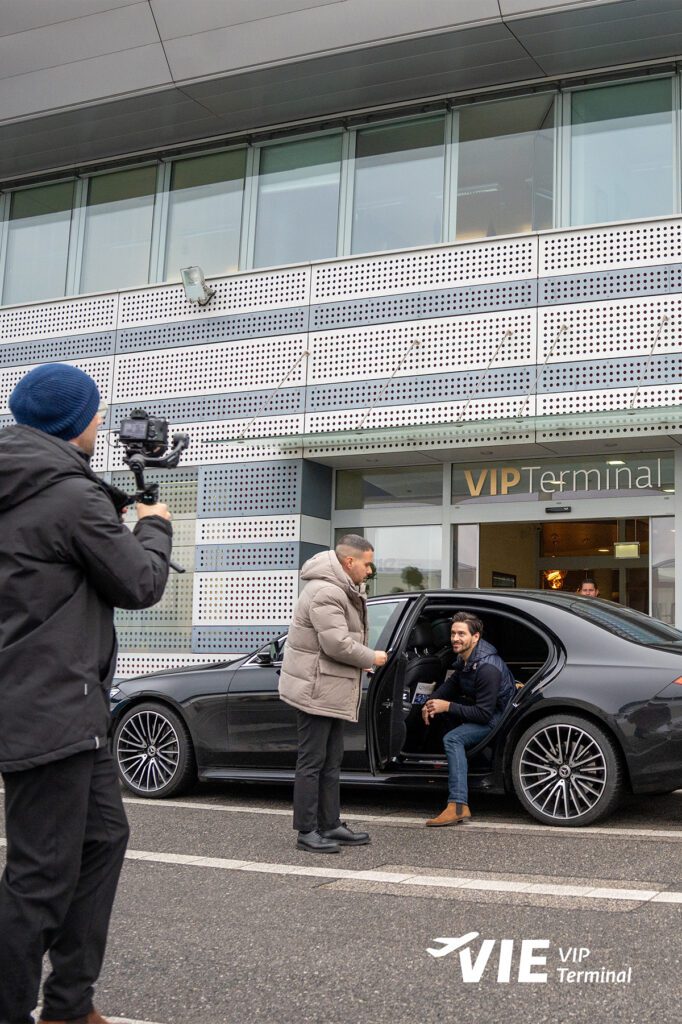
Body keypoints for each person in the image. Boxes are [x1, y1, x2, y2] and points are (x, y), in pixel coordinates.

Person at [0, 363, 173, 1024]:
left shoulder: (33, 483)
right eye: (98, 414)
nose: (103, 423)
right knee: (40, 875)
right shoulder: (70, 497)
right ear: (77, 423)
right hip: (49, 704)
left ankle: (70, 1004)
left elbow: (53, 556)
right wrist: (154, 523)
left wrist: (109, 509)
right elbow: (140, 583)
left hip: (60, 703)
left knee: (103, 839)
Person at [278, 535, 388, 853]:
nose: (370, 570)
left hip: (329, 688)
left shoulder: (342, 589)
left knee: (331, 760)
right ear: (349, 562)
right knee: (312, 761)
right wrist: (371, 657)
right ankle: (307, 831)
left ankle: (329, 824)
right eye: (367, 564)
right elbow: (336, 644)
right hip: (315, 689)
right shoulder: (327, 591)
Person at [423, 612, 515, 827]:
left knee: (453, 739)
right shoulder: (466, 659)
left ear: (475, 637)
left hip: (498, 718)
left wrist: (447, 706)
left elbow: (483, 714)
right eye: (453, 633)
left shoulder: (487, 667)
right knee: (443, 716)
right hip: (486, 711)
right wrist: (431, 702)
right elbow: (452, 684)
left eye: (461, 634)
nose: (455, 638)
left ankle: (458, 805)